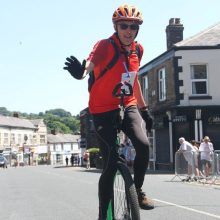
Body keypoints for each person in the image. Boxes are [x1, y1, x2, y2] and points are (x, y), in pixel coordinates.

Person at [64, 4, 154, 219]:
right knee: (111, 164)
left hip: (127, 103)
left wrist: (144, 109)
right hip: (102, 109)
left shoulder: (138, 50)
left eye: (133, 27)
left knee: (143, 145)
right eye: (124, 26)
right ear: (116, 26)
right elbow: (89, 67)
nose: (128, 30)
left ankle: (138, 191)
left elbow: (134, 80)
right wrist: (80, 74)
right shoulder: (105, 45)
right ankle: (104, 214)